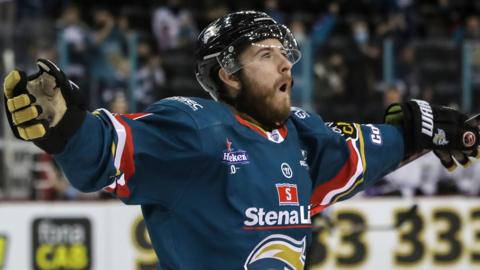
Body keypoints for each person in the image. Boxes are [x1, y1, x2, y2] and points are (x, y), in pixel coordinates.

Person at [3, 10, 480, 270]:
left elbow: (361, 152)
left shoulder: (302, 135)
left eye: (286, 54)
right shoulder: (194, 130)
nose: (286, 64)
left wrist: (427, 131)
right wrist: (67, 129)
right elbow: (109, 148)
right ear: (228, 73)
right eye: (266, 54)